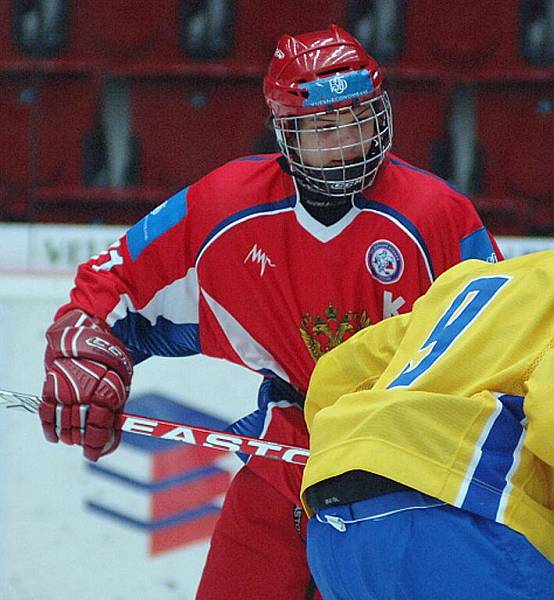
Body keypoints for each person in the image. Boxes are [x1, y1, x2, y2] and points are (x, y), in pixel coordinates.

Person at [36, 25, 501, 600]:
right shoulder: (225, 206)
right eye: (324, 128)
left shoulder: (438, 215)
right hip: (286, 463)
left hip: (410, 475)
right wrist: (85, 348)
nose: (347, 142)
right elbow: (114, 284)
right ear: (287, 133)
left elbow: (503, 342)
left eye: (359, 119)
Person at [300, 152, 554, 599]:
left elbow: (335, 376)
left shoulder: (473, 280)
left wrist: (363, 456)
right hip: (453, 526)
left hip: (337, 538)